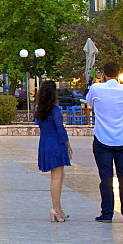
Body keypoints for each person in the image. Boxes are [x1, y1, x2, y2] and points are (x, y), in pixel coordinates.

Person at [86, 61, 123, 223]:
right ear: (119, 73)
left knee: (106, 178)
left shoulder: (96, 88)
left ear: (104, 74)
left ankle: (107, 213)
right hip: (121, 138)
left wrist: (97, 82)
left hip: (102, 138)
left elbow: (89, 103)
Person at [34, 80, 72, 222]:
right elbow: (60, 128)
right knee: (57, 177)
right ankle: (55, 209)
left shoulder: (40, 110)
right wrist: (67, 144)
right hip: (56, 144)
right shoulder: (55, 110)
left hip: (44, 143)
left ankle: (59, 209)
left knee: (58, 176)